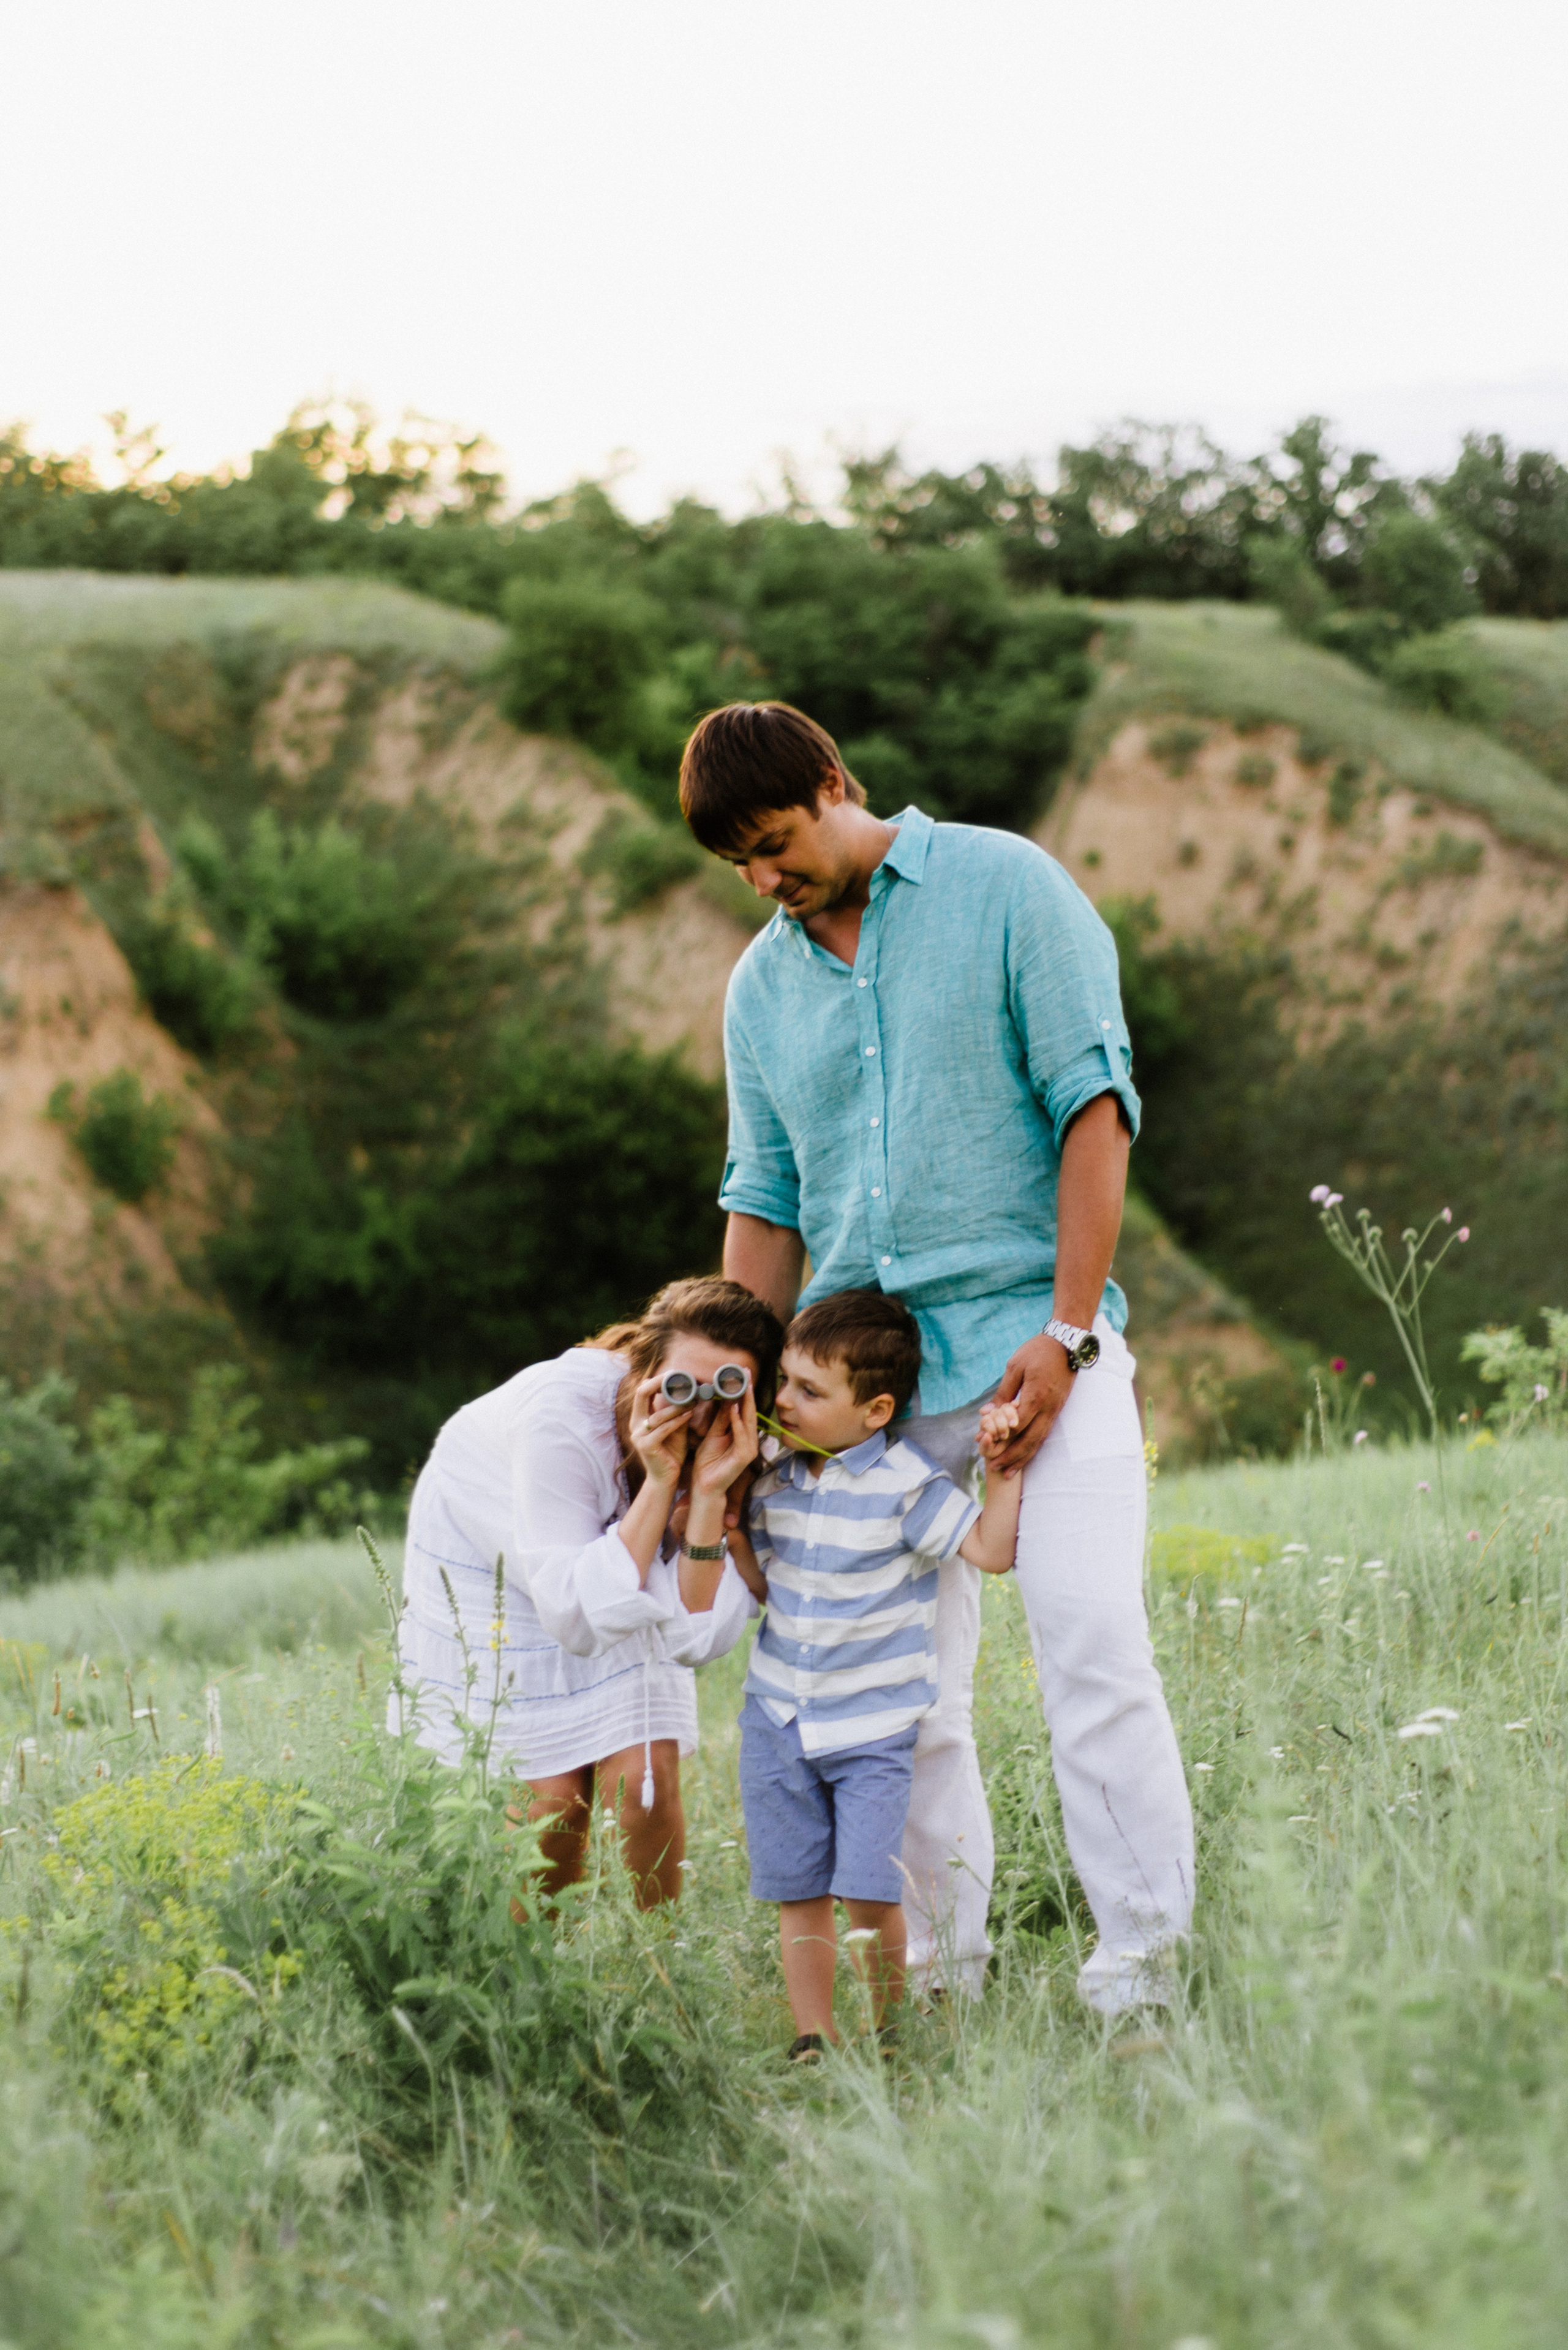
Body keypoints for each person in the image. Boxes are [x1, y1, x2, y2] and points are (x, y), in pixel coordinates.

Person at [679, 701, 1194, 2014]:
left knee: (1089, 1639)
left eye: (776, 840)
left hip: (1040, 1346)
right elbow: (764, 1203)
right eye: (737, 860)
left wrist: (1070, 1331)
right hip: (856, 1403)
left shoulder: (1006, 885)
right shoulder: (760, 985)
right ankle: (940, 1985)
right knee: (898, 1711)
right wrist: (741, 1417)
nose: (763, 877)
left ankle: (1139, 1969)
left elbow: (1093, 1103)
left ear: (835, 783)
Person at [395, 1277, 781, 1906]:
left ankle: (661, 1956)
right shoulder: (564, 1420)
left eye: (728, 1388)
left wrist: (708, 1493)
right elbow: (575, 1617)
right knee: (553, 1797)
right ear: (643, 1370)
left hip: (608, 1552)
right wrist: (660, 1484)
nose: (700, 1410)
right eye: (682, 1386)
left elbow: (693, 1636)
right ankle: (541, 1973)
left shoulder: (743, 1446)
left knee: (644, 1775)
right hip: (498, 1535)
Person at [726, 1290, 1023, 2060]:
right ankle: (813, 2034)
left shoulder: (908, 1486)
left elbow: (991, 1551)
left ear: (875, 1408)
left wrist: (1004, 1468)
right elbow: (765, 1587)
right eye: (784, 1382)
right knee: (797, 1891)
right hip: (779, 1718)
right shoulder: (775, 1478)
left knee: (869, 1888)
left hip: (870, 1731)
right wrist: (728, 1527)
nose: (781, 1400)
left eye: (807, 1391)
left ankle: (890, 2029)